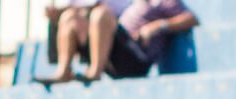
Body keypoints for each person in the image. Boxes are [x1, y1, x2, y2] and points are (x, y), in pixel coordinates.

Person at [39, 0, 197, 84]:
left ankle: (95, 72)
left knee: (101, 15)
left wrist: (158, 26)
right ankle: (64, 72)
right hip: (114, 52)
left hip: (136, 57)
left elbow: (192, 19)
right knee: (70, 17)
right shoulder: (132, 3)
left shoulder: (161, 1)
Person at [39, 1, 132, 85]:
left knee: (99, 15)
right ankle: (64, 72)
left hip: (126, 46)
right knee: (68, 17)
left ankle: (95, 72)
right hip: (99, 43)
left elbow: (103, 8)